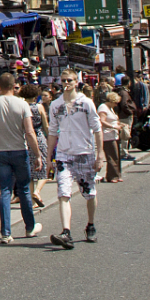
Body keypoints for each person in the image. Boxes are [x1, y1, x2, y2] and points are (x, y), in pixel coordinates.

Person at [0, 72, 42, 243]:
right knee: (23, 189)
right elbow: (29, 132)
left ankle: (6, 233)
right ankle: (29, 227)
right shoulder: (22, 105)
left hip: (0, 152)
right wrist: (37, 154)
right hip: (19, 151)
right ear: (14, 86)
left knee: (5, 191)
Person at [47, 69, 104, 248]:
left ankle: (91, 224)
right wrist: (50, 157)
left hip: (84, 153)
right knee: (63, 193)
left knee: (89, 193)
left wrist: (100, 154)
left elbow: (97, 128)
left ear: (76, 82)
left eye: (69, 80)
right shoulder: (55, 105)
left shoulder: (86, 103)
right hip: (64, 155)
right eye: (63, 80)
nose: (66, 83)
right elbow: (52, 132)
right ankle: (66, 232)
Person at [98, 91, 125, 183]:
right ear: (110, 101)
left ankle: (117, 175)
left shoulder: (110, 108)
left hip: (114, 134)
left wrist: (120, 124)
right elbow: (102, 121)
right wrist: (114, 126)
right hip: (107, 135)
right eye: (115, 103)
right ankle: (112, 176)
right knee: (112, 156)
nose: (116, 105)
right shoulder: (103, 107)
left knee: (116, 156)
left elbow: (113, 120)